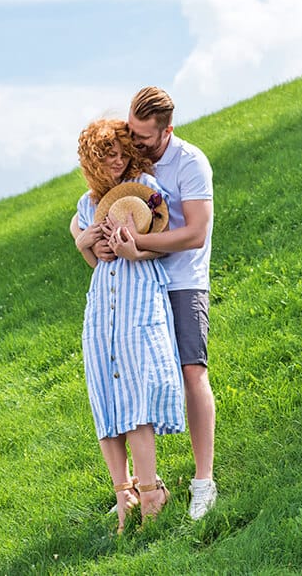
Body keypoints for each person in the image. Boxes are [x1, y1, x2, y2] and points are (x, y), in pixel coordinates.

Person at [76, 88, 217, 520]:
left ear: (166, 132)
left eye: (141, 140)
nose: (134, 146)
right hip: (133, 288)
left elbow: (194, 233)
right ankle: (135, 487)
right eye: (129, 135)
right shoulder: (124, 171)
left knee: (192, 372)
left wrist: (138, 247)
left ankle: (202, 482)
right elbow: (89, 215)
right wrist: (83, 238)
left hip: (181, 279)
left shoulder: (189, 163)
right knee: (125, 380)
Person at [70, 118, 185, 534]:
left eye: (120, 152)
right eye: (106, 157)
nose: (116, 162)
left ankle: (152, 491)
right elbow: (94, 261)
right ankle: (124, 495)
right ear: (92, 163)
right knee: (105, 392)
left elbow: (162, 241)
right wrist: (85, 241)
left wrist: (132, 247)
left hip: (139, 295)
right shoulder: (87, 205)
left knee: (136, 390)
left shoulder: (147, 190)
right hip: (103, 303)